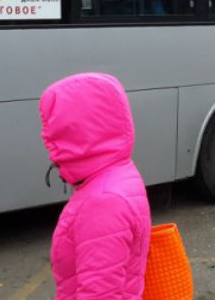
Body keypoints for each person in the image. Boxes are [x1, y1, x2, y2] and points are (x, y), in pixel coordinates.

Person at [39, 73, 151, 300]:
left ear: (73, 131)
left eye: (52, 130)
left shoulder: (103, 201)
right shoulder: (118, 173)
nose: (48, 142)